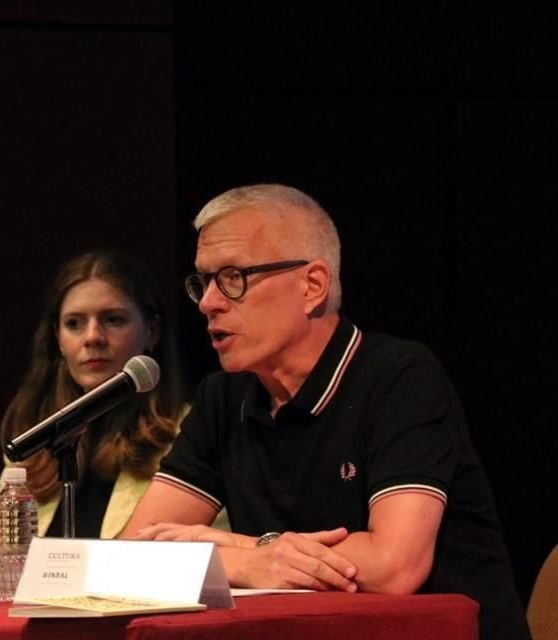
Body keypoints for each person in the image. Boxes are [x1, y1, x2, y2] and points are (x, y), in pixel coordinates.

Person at [122, 184, 530, 640]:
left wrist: (246, 549)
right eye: (203, 280)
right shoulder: (223, 397)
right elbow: (130, 555)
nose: (208, 302)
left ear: (312, 286)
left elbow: (395, 567)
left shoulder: (400, 377)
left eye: (233, 277)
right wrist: (251, 561)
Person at [0, 250, 223, 540]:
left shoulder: (193, 434)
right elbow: (1, 568)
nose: (92, 337)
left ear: (152, 331)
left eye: (113, 320)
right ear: (58, 339)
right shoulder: (35, 445)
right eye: (74, 324)